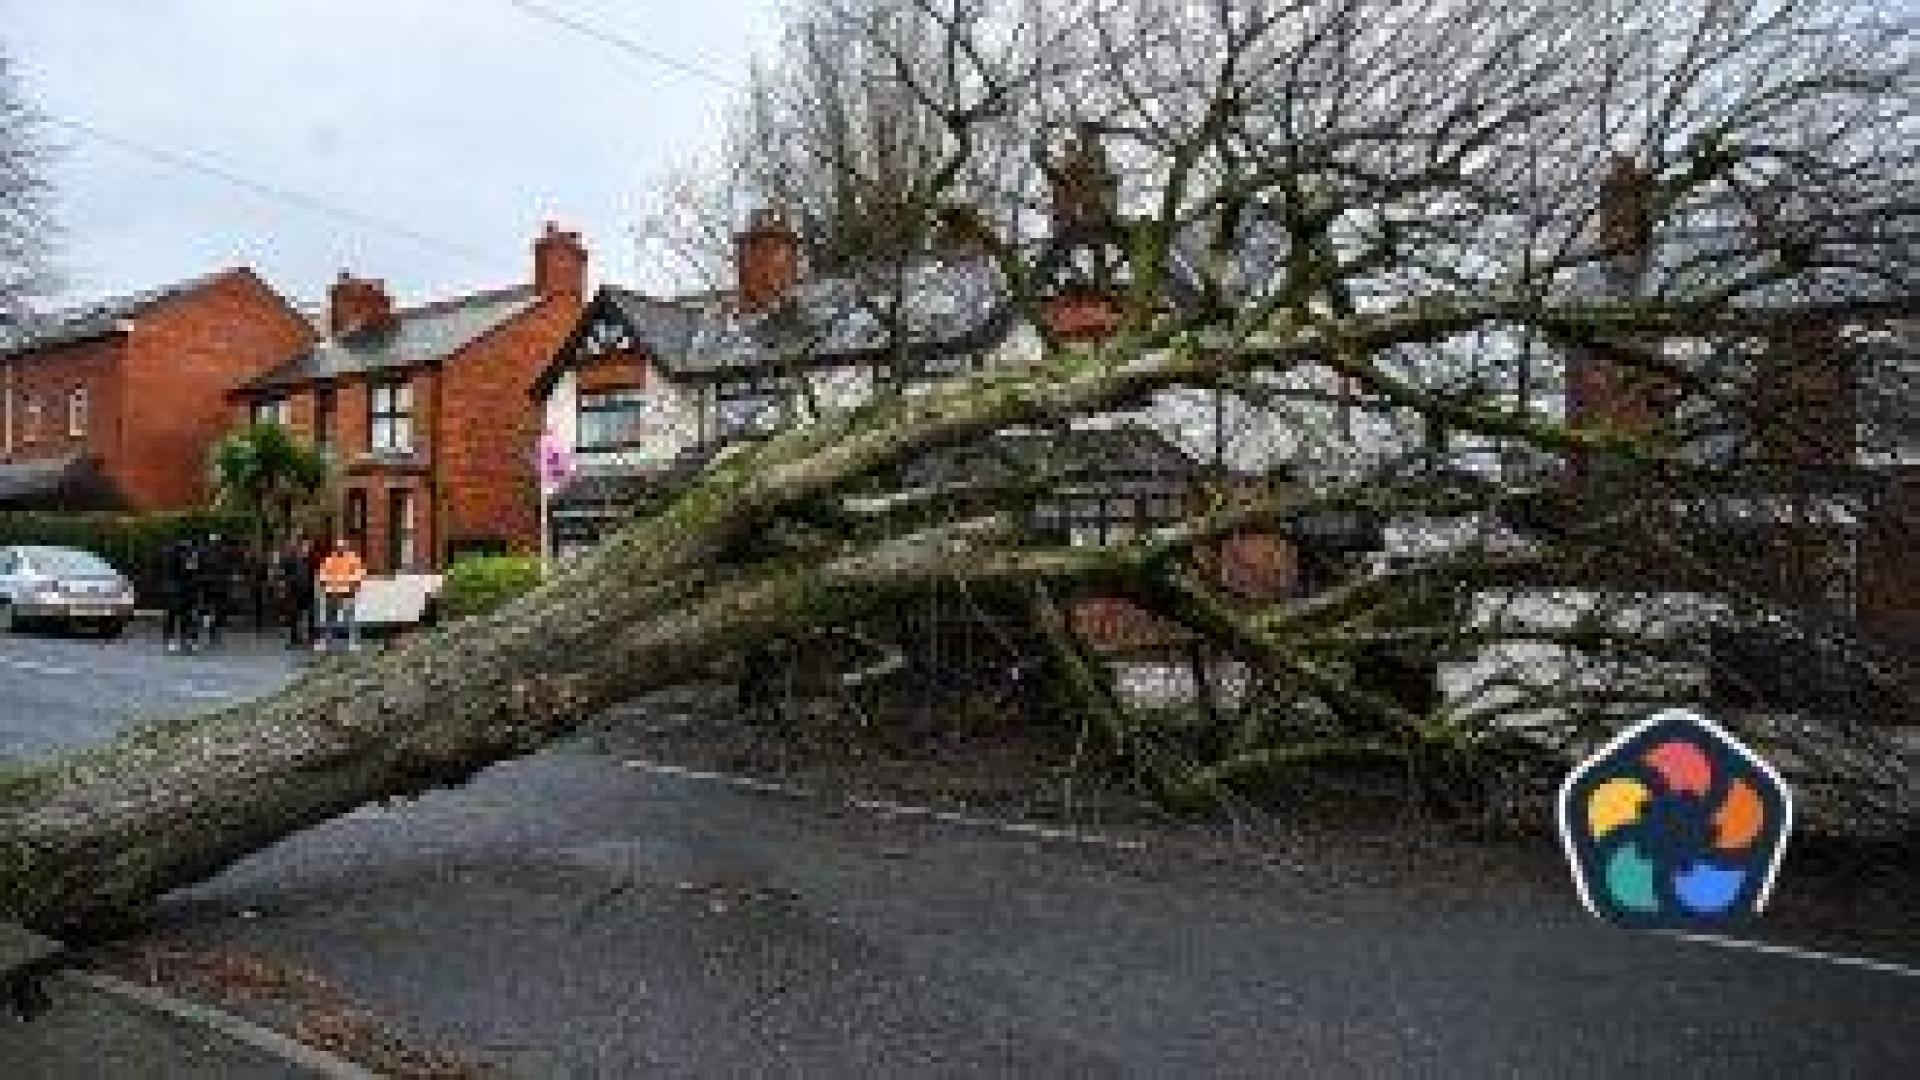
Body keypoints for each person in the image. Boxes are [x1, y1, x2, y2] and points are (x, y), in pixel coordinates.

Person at [317, 537, 367, 652]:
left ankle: (352, 642)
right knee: (327, 618)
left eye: (342, 547)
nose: (340, 549)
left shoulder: (353, 560)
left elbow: (360, 575)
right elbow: (323, 575)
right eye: (338, 547)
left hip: (348, 593)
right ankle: (325, 640)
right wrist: (326, 587)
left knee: (351, 619)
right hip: (332, 593)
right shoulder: (330, 560)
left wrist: (353, 588)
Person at [157, 535, 202, 653]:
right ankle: (187, 640)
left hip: (173, 589)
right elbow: (191, 573)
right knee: (186, 615)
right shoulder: (187, 556)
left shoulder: (167, 554)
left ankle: (173, 640)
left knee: (173, 615)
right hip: (183, 589)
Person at [280, 535, 319, 648]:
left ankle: (310, 637)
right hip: (295, 590)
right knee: (295, 615)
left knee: (310, 614)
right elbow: (285, 575)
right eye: (304, 546)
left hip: (309, 589)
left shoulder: (312, 559)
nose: (305, 548)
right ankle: (294, 638)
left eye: (307, 546)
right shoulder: (290, 560)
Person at [191, 532, 228, 651]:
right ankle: (212, 634)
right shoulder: (220, 555)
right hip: (213, 586)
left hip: (207, 586)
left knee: (206, 610)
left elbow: (196, 570)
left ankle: (206, 633)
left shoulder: (203, 554)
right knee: (213, 611)